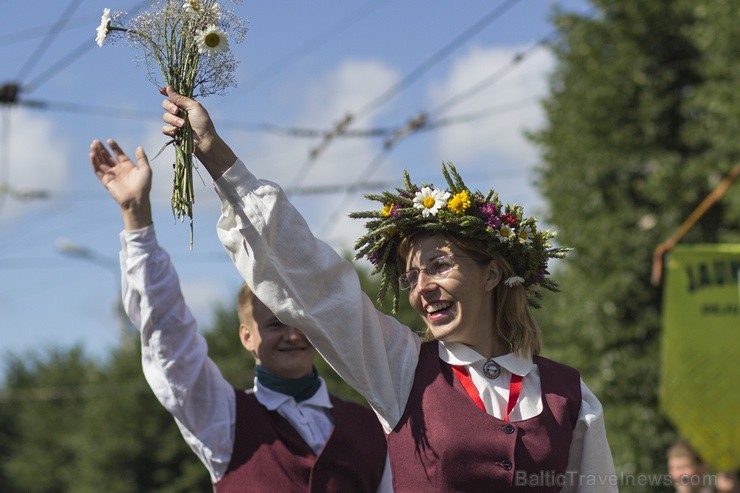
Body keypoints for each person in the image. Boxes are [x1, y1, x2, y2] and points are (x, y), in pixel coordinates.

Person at [108, 85, 618, 491]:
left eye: (438, 266)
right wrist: (216, 155)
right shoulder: (401, 368)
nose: (422, 288)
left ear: (490, 273)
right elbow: (313, 280)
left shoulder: (568, 395)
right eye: (412, 276)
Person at [88, 139, 391, 492]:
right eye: (275, 324)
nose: (293, 335)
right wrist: (137, 221)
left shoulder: (370, 424)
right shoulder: (225, 418)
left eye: (300, 323)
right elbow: (171, 346)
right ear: (247, 336)